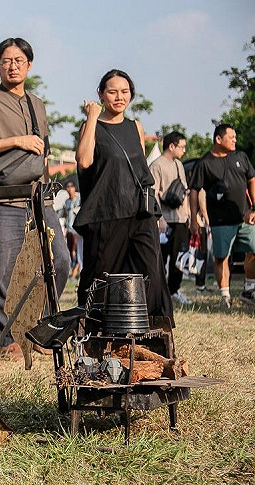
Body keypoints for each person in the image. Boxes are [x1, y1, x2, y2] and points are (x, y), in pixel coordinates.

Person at [0, 37, 70, 359]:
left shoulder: (38, 104)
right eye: (7, 61)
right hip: (1, 198)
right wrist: (17, 140)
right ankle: (6, 337)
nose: (13, 66)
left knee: (60, 260)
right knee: (2, 271)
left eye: (19, 60)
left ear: (29, 65)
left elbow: (44, 152)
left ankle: (39, 328)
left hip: (38, 197)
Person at [74, 69, 172, 321]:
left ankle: (151, 330)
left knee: (151, 271)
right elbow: (84, 161)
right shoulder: (91, 125)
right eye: (113, 91)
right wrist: (92, 117)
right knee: (101, 274)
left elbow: (140, 168)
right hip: (106, 212)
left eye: (125, 91)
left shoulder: (135, 126)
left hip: (140, 212)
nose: (119, 97)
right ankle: (92, 330)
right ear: (101, 94)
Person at [189, 124, 255, 309]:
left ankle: (249, 290)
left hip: (245, 217)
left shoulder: (241, 157)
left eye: (235, 136)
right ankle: (225, 295)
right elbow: (194, 190)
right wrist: (194, 219)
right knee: (221, 258)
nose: (235, 140)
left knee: (254, 250)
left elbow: (252, 179)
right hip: (220, 221)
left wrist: (254, 207)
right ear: (218, 139)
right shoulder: (204, 163)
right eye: (231, 137)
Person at [151, 131, 191, 305]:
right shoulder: (157, 165)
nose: (184, 150)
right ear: (171, 146)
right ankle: (159, 292)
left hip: (181, 218)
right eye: (181, 146)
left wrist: (188, 213)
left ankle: (174, 289)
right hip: (165, 219)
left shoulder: (179, 165)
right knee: (160, 258)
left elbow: (185, 190)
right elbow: (153, 193)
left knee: (179, 257)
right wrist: (159, 218)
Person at [60, 179, 82, 281]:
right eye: (67, 187)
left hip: (76, 230)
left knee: (76, 252)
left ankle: (74, 274)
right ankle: (73, 272)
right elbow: (64, 215)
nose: (69, 189)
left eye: (71, 187)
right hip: (69, 230)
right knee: (70, 252)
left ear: (74, 188)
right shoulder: (66, 202)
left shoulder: (79, 200)